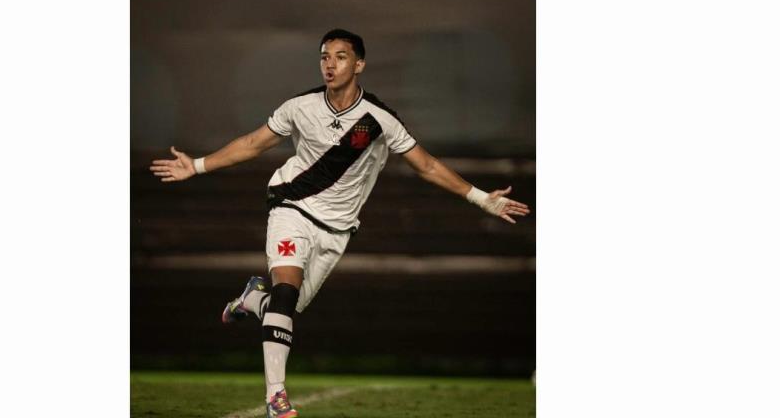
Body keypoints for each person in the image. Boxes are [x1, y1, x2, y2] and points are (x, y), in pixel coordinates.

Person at [150, 28, 530, 418]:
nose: (330, 64)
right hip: (291, 206)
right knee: (285, 293)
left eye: (340, 56)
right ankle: (276, 397)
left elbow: (427, 165)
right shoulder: (300, 107)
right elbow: (252, 144)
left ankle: (252, 299)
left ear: (359, 64)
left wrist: (481, 198)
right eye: (324, 57)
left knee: (283, 308)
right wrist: (197, 166)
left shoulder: (378, 119)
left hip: (336, 230)